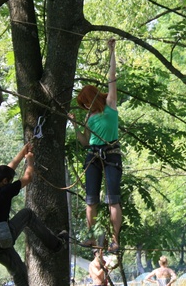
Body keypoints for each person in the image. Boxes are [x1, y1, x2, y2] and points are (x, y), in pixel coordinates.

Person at [0, 143, 68, 286]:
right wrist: (30, 160)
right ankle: (56, 244)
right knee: (27, 214)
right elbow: (28, 177)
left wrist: (23, 151)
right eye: (9, 181)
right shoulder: (5, 191)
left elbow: (9, 168)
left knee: (19, 270)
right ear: (5, 181)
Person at [68, 38, 122, 253]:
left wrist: (112, 52)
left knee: (112, 200)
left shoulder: (110, 104)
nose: (84, 106)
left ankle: (115, 240)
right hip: (92, 155)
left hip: (111, 154)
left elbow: (111, 78)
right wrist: (74, 125)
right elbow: (84, 141)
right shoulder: (89, 117)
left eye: (85, 102)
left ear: (92, 97)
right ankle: (90, 237)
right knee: (91, 200)